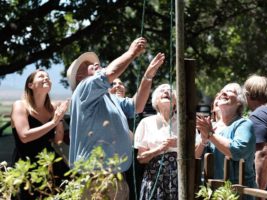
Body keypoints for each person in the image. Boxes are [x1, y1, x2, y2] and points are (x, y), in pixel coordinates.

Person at [67, 37, 165, 199]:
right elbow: (110, 73)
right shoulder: (83, 89)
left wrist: (147, 77)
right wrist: (131, 53)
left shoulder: (109, 98)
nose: (95, 64)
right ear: (79, 77)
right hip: (95, 177)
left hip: (116, 176)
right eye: (88, 66)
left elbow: (137, 106)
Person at [10, 69, 69, 199]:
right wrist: (53, 122)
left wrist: (59, 120)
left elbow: (57, 140)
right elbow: (25, 136)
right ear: (30, 85)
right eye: (41, 76)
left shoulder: (52, 108)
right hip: (26, 166)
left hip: (49, 164)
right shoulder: (20, 106)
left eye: (48, 76)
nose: (46, 78)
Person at [134, 83, 200, 200]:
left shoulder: (185, 123)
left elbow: (197, 153)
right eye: (161, 90)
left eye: (170, 91)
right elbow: (141, 158)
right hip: (154, 179)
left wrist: (179, 144)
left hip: (180, 178)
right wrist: (159, 149)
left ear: (175, 101)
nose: (166, 92)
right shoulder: (146, 123)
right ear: (155, 101)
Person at [195, 83, 256, 196]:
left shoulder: (244, 124)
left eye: (230, 91)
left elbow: (238, 151)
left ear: (239, 102)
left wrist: (210, 135)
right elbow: (194, 156)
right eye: (222, 91)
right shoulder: (211, 126)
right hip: (211, 191)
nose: (223, 93)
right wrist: (203, 141)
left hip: (238, 192)